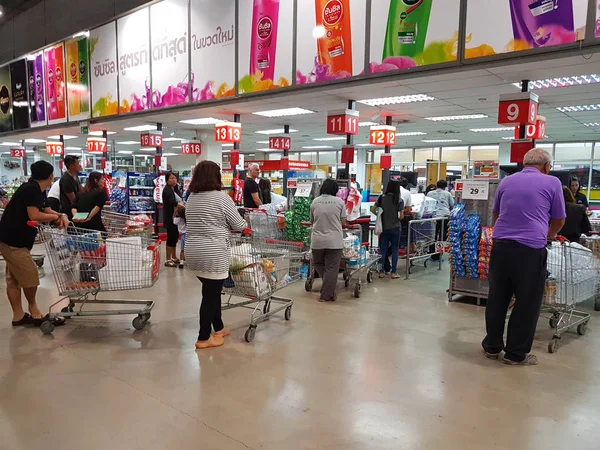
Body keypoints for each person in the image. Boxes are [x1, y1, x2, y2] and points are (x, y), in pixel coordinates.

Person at [483, 148, 565, 366]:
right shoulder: (552, 183)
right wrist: (548, 235)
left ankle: (492, 347)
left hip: (500, 247)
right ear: (547, 166)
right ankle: (515, 354)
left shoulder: (506, 182)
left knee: (497, 297)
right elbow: (559, 219)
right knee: (526, 302)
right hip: (530, 250)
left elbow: (497, 214)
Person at [186, 161, 247, 349]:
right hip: (213, 252)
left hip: (193, 251)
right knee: (210, 295)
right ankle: (203, 337)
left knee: (212, 291)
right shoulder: (222, 198)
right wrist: (244, 226)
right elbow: (238, 225)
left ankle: (218, 328)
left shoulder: (192, 198)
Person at [0, 161, 69, 328]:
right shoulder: (31, 189)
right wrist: (56, 218)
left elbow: (45, 209)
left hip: (12, 239)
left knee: (14, 279)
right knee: (31, 276)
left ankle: (18, 316)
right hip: (13, 241)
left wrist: (60, 215)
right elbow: (34, 215)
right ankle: (35, 311)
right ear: (51, 176)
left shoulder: (35, 188)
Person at [310, 179, 347, 302]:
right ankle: (326, 294)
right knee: (331, 268)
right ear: (335, 190)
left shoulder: (315, 202)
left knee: (318, 264)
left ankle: (328, 289)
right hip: (334, 241)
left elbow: (312, 220)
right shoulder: (340, 202)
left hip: (317, 240)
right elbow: (343, 222)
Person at [371, 180, 404, 279]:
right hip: (396, 228)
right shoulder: (399, 200)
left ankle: (381, 272)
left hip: (384, 228)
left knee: (383, 250)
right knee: (394, 250)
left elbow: (373, 209)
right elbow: (401, 216)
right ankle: (393, 273)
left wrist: (380, 216)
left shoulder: (381, 198)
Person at [427, 180, 454, 261]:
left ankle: (433, 254)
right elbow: (452, 206)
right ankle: (439, 254)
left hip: (432, 217)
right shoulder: (448, 194)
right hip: (444, 217)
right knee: (443, 235)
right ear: (445, 186)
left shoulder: (430, 193)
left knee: (432, 236)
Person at [162, 172, 181, 267]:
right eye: (171, 178)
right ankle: (168, 259)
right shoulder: (167, 190)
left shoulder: (175, 189)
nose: (174, 180)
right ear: (167, 180)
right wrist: (181, 206)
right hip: (170, 218)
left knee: (175, 237)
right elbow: (172, 202)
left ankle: (173, 256)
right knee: (170, 237)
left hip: (176, 218)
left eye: (175, 178)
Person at [59, 155, 82, 219]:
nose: (80, 165)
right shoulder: (66, 180)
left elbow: (81, 190)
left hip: (76, 210)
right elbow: (73, 200)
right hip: (69, 213)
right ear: (71, 166)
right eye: (77, 163)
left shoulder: (75, 176)